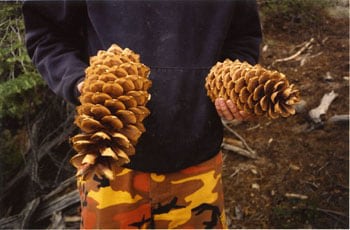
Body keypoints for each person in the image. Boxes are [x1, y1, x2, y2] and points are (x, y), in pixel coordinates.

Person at [23, 1, 262, 228]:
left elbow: (243, 37)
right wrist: (78, 81)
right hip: (109, 162)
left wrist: (233, 83)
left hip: (197, 163)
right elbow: (47, 34)